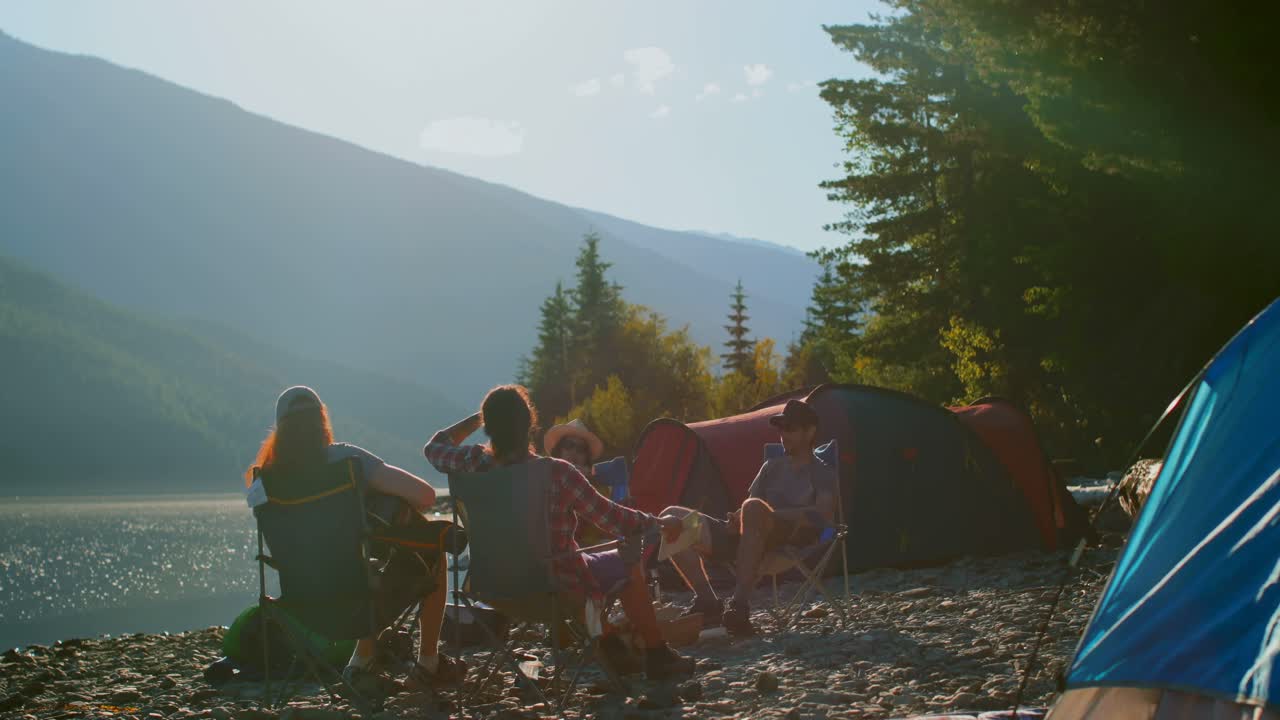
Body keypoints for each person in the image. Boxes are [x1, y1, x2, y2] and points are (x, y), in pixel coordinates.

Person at [424, 385, 696, 680]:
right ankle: (658, 656)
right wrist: (659, 523)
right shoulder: (557, 472)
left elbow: (434, 448)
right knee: (625, 562)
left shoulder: (471, 463)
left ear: (489, 427)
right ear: (530, 424)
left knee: (576, 565)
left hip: (490, 589)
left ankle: (611, 646)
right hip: (554, 589)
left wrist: (479, 419)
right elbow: (616, 520)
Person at [246, 386, 464, 689]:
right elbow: (425, 496)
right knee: (431, 551)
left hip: (302, 606)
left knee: (360, 568)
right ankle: (427, 662)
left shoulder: (265, 481)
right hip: (359, 602)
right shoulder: (345, 462)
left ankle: (363, 662)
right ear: (322, 422)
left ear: (280, 430)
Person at [661, 398, 837, 636]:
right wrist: (736, 518)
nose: (783, 435)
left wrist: (769, 515)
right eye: (781, 429)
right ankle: (708, 601)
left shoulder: (822, 472)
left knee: (753, 508)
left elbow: (823, 516)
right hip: (747, 537)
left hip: (787, 539)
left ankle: (739, 606)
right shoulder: (771, 467)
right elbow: (747, 508)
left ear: (810, 432)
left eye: (791, 429)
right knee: (672, 518)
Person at [545, 418, 611, 546]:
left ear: (586, 457)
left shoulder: (598, 487)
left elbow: (606, 525)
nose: (574, 452)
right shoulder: (545, 478)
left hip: (587, 548)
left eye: (581, 449)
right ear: (559, 450)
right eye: (569, 445)